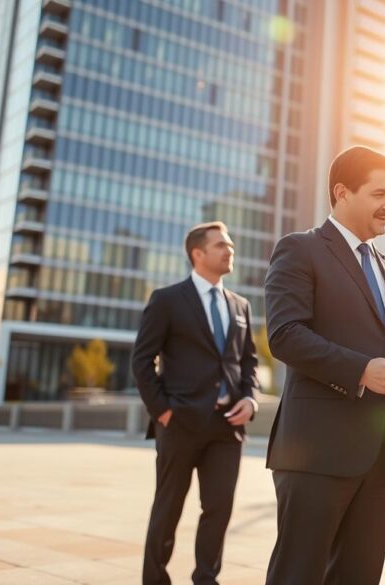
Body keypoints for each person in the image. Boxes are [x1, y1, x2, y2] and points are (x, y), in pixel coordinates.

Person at [263, 145, 385, 585]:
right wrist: (363, 370)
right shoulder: (299, 249)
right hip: (315, 453)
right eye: (380, 194)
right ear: (342, 193)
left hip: (382, 457)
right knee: (297, 575)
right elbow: (284, 334)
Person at [132, 221, 261, 585]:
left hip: (227, 426)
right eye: (221, 245)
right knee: (168, 508)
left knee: (218, 509)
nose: (229, 250)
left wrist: (250, 399)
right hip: (180, 423)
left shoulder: (241, 305)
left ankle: (206, 579)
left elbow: (248, 361)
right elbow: (142, 360)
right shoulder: (167, 299)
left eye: (231, 245)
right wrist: (164, 411)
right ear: (198, 253)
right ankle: (154, 579)